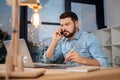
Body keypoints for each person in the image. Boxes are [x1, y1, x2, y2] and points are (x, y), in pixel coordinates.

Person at [43, 11, 110, 67]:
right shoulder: (63, 42)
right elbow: (47, 60)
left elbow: (105, 63)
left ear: (76, 24)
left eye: (67, 24)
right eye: (62, 25)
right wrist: (54, 41)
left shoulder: (89, 38)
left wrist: (82, 60)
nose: (63, 28)